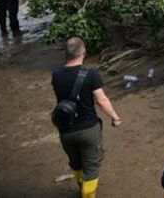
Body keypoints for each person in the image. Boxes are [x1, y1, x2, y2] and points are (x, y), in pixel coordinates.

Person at [51, 37, 123, 198]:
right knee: (91, 168)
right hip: (88, 128)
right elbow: (102, 100)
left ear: (64, 53)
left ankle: (81, 188)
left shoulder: (56, 75)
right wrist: (115, 117)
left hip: (65, 129)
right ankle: (88, 194)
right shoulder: (91, 74)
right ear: (83, 51)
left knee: (76, 163)